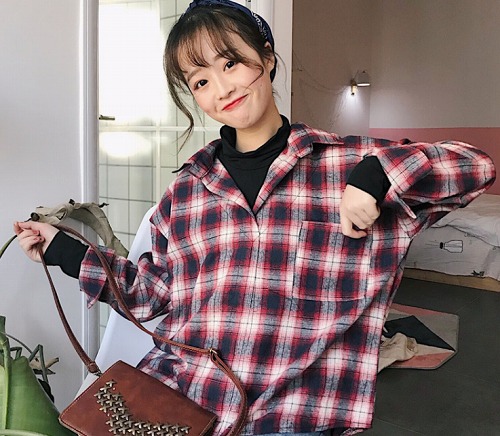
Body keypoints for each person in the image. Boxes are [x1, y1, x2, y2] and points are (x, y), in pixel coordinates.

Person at [14, 1, 495, 435]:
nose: (222, 88)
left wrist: (378, 174)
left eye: (230, 63)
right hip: (184, 404)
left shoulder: (345, 163)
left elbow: (476, 166)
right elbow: (149, 294)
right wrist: (63, 249)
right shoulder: (187, 190)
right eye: (200, 81)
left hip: (297, 416)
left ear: (266, 57)